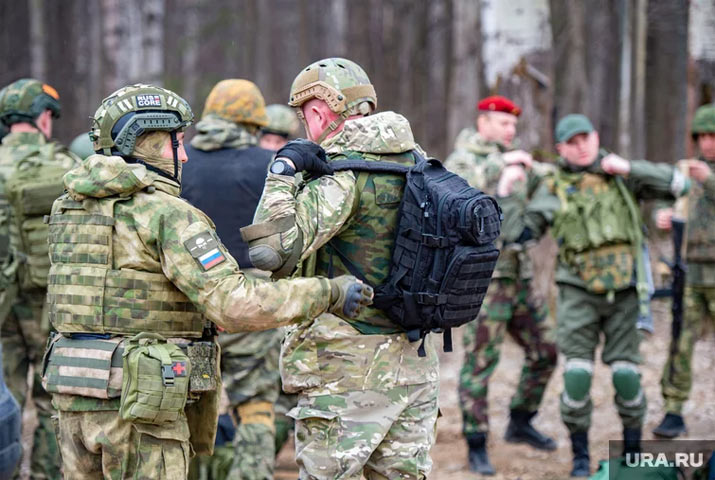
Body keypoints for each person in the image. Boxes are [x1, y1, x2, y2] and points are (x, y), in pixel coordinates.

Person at [42, 83, 372, 480]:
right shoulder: (166, 214)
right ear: (145, 142)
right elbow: (232, 305)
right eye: (176, 142)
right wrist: (329, 291)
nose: (184, 154)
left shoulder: (67, 208)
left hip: (72, 395)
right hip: (138, 408)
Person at [245, 57, 440, 479]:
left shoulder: (343, 176)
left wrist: (282, 171)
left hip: (344, 371)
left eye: (304, 119)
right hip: (416, 366)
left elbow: (269, 252)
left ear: (318, 112)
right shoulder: (422, 166)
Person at [498, 114, 690, 477]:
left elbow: (677, 184)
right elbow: (519, 235)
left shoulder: (622, 179)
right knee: (577, 377)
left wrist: (629, 166)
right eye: (572, 142)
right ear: (561, 149)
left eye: (585, 138)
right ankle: (581, 459)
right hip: (577, 295)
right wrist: (508, 191)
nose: (581, 146)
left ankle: (631, 455)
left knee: (627, 377)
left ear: (597, 137)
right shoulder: (554, 185)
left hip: (625, 295)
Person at [445, 96, 558, 475]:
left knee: (546, 349)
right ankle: (476, 442)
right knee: (480, 363)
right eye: (503, 124)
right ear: (484, 122)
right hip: (485, 281)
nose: (511, 131)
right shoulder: (465, 157)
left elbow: (550, 181)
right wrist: (500, 169)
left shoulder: (516, 159)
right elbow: (455, 190)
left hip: (520, 275)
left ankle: (521, 420)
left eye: (513, 125)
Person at [182, 79, 282, 480]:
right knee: (256, 402)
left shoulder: (179, 161)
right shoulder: (267, 165)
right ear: (254, 120)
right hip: (251, 300)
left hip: (191, 300)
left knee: (185, 401)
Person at [0, 78, 80, 480]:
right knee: (53, 397)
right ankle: (49, 474)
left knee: (5, 396)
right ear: (43, 117)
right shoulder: (66, 165)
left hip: (2, 299)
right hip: (49, 297)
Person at [653, 103, 715, 438]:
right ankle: (673, 409)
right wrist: (663, 219)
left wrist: (710, 180)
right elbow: (672, 204)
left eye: (713, 136)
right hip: (692, 272)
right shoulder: (691, 172)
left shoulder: (705, 175)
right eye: (702, 136)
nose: (708, 143)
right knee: (681, 340)